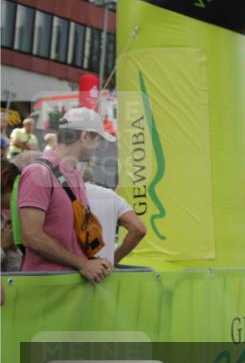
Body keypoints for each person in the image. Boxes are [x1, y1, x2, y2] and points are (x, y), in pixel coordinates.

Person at [17, 108, 115, 281]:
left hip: (68, 288)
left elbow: (70, 235)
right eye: (98, 139)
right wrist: (82, 263)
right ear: (85, 136)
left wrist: (92, 261)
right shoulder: (38, 172)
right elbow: (31, 236)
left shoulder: (75, 173)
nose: (99, 147)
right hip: (42, 288)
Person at [84, 173, 147, 266]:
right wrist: (113, 259)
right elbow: (139, 229)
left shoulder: (62, 195)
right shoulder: (110, 195)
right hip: (105, 271)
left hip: (67, 272)